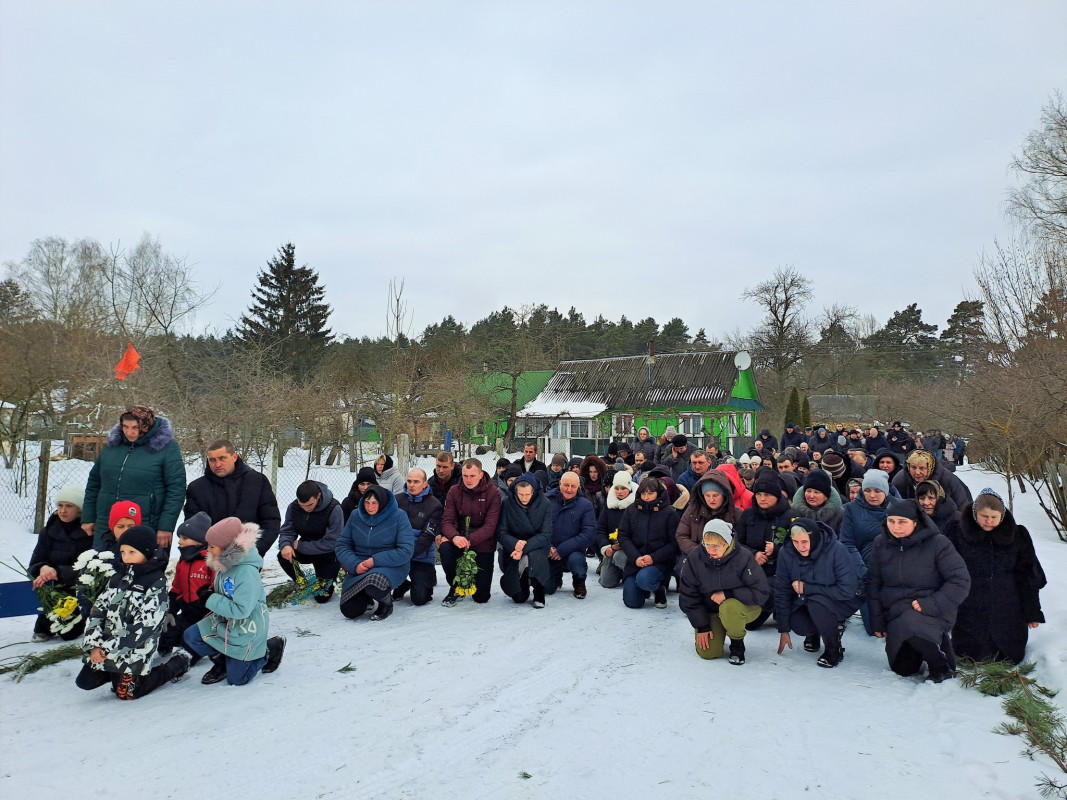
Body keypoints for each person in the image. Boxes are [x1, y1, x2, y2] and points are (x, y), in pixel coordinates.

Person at [77, 525, 190, 698]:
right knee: (85, 682)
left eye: (132, 552)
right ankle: (116, 673)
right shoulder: (118, 577)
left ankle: (174, 666)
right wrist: (94, 645)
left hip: (134, 651)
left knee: (126, 693)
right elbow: (98, 611)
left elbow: (146, 626)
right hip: (107, 646)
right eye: (123, 552)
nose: (126, 557)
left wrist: (107, 650)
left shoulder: (155, 582)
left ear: (146, 552)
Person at [867, 499, 971, 683]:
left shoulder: (938, 543)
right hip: (895, 613)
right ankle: (924, 646)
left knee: (911, 623)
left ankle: (940, 663)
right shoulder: (881, 543)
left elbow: (960, 580)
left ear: (916, 522)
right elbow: (874, 582)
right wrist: (877, 621)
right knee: (903, 669)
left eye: (902, 522)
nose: (896, 527)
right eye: (891, 521)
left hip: (930, 609)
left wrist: (931, 603)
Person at [944, 489, 1046, 664]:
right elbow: (946, 569)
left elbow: (1028, 576)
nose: (989, 521)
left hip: (1008, 603)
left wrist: (1032, 612)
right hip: (969, 602)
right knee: (969, 655)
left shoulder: (1018, 536)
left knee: (1008, 656)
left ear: (1003, 515)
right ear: (975, 513)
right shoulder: (956, 533)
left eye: (994, 517)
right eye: (984, 516)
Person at [183, 517, 285, 685]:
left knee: (238, 680)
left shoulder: (246, 573)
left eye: (212, 546)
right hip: (225, 620)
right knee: (192, 636)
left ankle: (268, 650)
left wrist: (210, 599)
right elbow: (226, 589)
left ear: (227, 548)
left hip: (245, 627)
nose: (207, 550)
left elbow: (241, 610)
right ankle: (223, 661)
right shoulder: (225, 563)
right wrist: (210, 592)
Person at [82, 404, 186, 551]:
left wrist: (165, 527)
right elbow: (94, 482)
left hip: (146, 526)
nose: (129, 432)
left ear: (146, 425)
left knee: (141, 571)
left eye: (135, 427)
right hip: (107, 524)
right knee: (103, 570)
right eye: (125, 427)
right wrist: (88, 517)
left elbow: (176, 489)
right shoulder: (112, 446)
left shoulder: (166, 448)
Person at [775, 518, 863, 667]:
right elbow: (781, 589)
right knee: (797, 622)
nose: (800, 547)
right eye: (795, 542)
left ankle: (833, 648)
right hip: (805, 600)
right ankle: (814, 633)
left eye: (804, 542)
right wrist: (783, 629)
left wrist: (807, 588)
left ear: (813, 538)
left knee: (817, 602)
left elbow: (847, 590)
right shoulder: (786, 552)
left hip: (841, 600)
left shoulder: (836, 549)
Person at [679, 519, 770, 664]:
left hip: (742, 607)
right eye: (707, 544)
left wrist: (728, 594)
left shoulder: (744, 557)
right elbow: (689, 595)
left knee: (729, 607)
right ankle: (718, 629)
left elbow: (761, 592)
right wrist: (702, 625)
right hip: (711, 611)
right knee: (708, 653)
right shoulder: (695, 558)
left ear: (727, 543)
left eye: (716, 545)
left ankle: (737, 642)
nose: (711, 550)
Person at [184, 438, 282, 556]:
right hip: (209, 560)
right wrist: (212, 554)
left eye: (222, 458)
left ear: (234, 457)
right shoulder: (197, 488)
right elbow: (193, 529)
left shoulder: (257, 481)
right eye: (212, 460)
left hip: (248, 557)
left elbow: (271, 520)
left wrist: (255, 550)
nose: (217, 464)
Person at [335, 485, 415, 621]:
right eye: (366, 502)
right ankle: (366, 595)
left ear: (382, 502)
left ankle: (386, 604)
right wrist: (355, 564)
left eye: (374, 503)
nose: (370, 507)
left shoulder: (398, 516)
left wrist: (374, 561)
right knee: (350, 611)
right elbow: (342, 545)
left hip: (390, 566)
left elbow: (406, 551)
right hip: (361, 566)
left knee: (374, 582)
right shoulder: (356, 516)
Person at [28, 484, 91, 642]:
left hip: (73, 588)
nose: (63, 510)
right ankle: (45, 619)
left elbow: (86, 567)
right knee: (43, 631)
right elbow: (35, 561)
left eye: (69, 506)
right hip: (50, 585)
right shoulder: (48, 530)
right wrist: (43, 567)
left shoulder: (88, 532)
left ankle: (76, 619)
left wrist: (57, 572)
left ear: (80, 509)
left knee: (69, 635)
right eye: (60, 505)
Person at [734, 469, 794, 629]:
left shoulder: (790, 516)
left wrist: (777, 550)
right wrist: (753, 554)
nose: (762, 498)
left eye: (767, 495)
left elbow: (798, 550)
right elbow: (736, 543)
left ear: (777, 495)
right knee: (750, 624)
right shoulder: (748, 515)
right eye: (759, 494)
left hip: (778, 574)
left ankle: (780, 607)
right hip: (751, 571)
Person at [438, 459, 501, 606]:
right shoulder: (454, 491)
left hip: (483, 545)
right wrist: (454, 537)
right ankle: (456, 586)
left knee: (481, 597)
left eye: (472, 476)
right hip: (459, 541)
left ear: (480, 474)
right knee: (445, 547)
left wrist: (469, 539)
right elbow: (446, 521)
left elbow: (490, 526)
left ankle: (474, 581)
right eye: (465, 476)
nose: (468, 480)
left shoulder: (493, 493)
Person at [839, 469, 892, 636]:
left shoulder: (897, 507)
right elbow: (847, 543)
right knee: (873, 629)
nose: (872, 495)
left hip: (891, 571)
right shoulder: (850, 510)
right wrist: (862, 571)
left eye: (877, 490)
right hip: (863, 572)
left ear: (885, 491)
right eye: (868, 490)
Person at [277, 480, 343, 603]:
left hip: (328, 554)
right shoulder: (294, 507)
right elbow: (287, 530)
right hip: (307, 547)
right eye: (302, 505)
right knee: (284, 555)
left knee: (321, 597)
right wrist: (286, 544)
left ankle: (326, 577)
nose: (305, 509)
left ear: (318, 496)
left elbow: (332, 543)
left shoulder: (334, 508)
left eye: (309, 505)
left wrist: (301, 546)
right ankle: (302, 582)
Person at [158, 511, 214, 656]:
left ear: (199, 540)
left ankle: (196, 651)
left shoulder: (211, 562)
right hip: (187, 613)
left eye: (184, 538)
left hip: (206, 617)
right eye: (179, 537)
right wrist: (170, 611)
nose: (179, 541)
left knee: (188, 643)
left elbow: (216, 591)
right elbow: (176, 589)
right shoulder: (183, 562)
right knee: (165, 632)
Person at [618, 477, 679, 609]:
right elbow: (623, 536)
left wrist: (653, 558)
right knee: (632, 602)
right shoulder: (631, 510)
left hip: (659, 562)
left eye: (650, 493)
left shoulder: (669, 513)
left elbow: (674, 544)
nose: (646, 497)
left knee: (644, 579)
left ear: (658, 493)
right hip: (636, 561)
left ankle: (658, 588)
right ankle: (643, 588)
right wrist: (635, 557)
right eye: (643, 493)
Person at [497, 473, 552, 608]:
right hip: (514, 546)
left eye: (527, 495)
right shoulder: (507, 503)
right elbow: (501, 532)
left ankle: (539, 590)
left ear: (533, 491)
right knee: (519, 598)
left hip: (536, 546)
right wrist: (515, 543)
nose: (524, 498)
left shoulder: (545, 503)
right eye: (521, 494)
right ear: (515, 491)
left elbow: (545, 534)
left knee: (534, 556)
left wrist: (524, 548)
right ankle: (522, 580)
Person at [393, 468, 443, 606]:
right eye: (409, 481)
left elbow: (427, 538)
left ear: (425, 484)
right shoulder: (396, 500)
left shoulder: (434, 505)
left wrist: (405, 554)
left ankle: (428, 579)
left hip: (421, 556)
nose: (411, 485)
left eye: (416, 482)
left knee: (419, 599)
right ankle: (402, 584)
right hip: (398, 555)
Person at [675, 470, 738, 579]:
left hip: (725, 558)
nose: (711, 499)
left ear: (724, 494)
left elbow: (740, 541)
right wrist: (699, 551)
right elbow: (681, 535)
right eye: (707, 495)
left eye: (715, 495)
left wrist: (719, 553)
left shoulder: (736, 514)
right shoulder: (692, 511)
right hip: (695, 554)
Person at [545, 472, 596, 598]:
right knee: (547, 589)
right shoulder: (547, 501)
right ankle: (556, 577)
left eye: (573, 486)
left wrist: (562, 550)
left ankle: (579, 582)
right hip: (550, 552)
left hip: (572, 551)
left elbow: (588, 534)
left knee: (576, 560)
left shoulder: (585, 505)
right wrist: (547, 545)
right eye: (566, 485)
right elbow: (537, 526)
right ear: (560, 484)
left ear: (578, 487)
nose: (569, 489)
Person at [892, 450, 972, 512]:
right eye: (913, 468)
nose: (917, 472)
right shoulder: (900, 480)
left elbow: (962, 504)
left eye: (922, 468)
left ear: (930, 467)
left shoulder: (947, 479)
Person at [596, 470, 638, 589]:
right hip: (612, 547)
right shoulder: (610, 505)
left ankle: (632, 574)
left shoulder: (636, 506)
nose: (619, 492)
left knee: (619, 556)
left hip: (631, 549)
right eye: (617, 488)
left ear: (629, 488)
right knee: (606, 582)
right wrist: (606, 547)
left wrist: (623, 545)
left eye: (623, 488)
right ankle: (616, 571)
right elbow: (601, 529)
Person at [579, 454, 608, 519]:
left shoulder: (604, 488)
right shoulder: (584, 488)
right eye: (590, 472)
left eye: (595, 472)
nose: (593, 474)